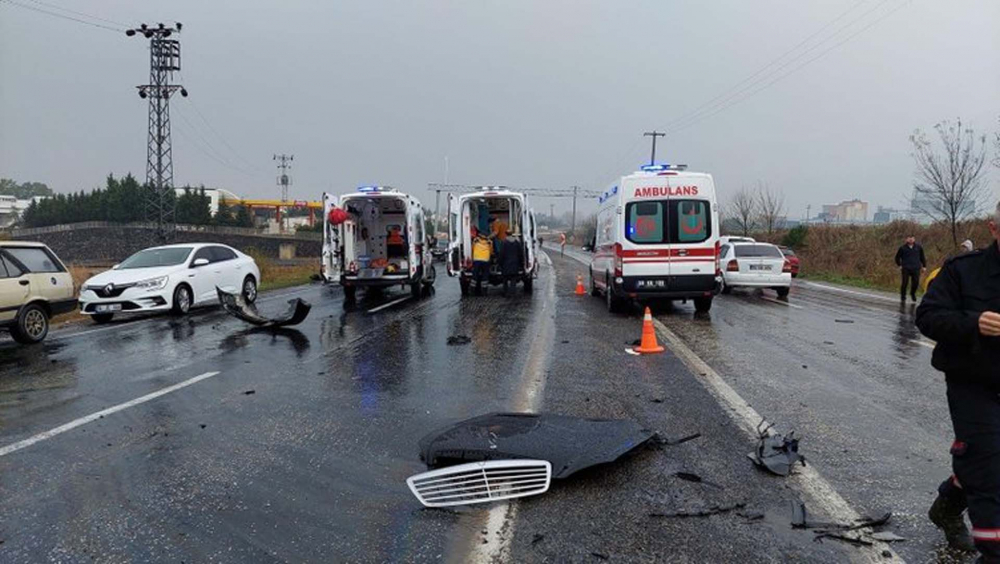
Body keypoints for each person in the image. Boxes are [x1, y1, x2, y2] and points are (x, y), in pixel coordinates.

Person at [916, 202, 1000, 560]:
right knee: (990, 462)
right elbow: (928, 317)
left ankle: (947, 507)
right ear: (994, 228)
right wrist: (974, 323)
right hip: (973, 383)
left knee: (982, 461)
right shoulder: (962, 271)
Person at [895, 235, 926, 302]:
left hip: (916, 268)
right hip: (906, 268)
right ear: (906, 239)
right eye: (909, 238)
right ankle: (903, 296)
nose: (911, 240)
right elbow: (897, 258)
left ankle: (912, 293)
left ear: (914, 239)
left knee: (916, 282)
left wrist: (924, 266)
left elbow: (922, 257)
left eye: (912, 238)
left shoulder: (918, 247)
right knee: (905, 283)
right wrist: (900, 265)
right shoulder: (902, 248)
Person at [471, 228, 492, 295]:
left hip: (477, 259)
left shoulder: (475, 241)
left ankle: (472, 290)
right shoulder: (489, 242)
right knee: (485, 275)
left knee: (475, 275)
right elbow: (491, 251)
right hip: (485, 260)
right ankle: (484, 291)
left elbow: (472, 248)